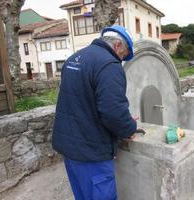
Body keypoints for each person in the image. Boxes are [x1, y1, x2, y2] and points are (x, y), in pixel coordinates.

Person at [52, 25, 138, 200]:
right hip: (91, 151)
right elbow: (113, 112)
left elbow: (81, 101)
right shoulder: (109, 65)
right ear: (117, 46)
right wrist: (129, 128)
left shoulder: (73, 59)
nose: (121, 60)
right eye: (123, 55)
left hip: (69, 149)